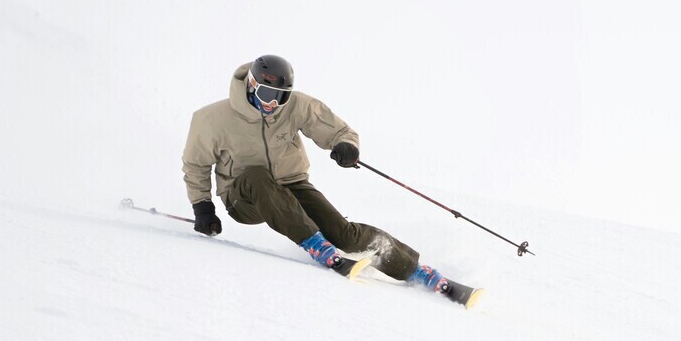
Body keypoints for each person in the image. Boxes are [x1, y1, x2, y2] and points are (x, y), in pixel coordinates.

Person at [181, 55, 475, 303]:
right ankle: (317, 246)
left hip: (292, 185)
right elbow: (195, 165)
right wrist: (202, 206)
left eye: (281, 97)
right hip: (243, 197)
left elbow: (336, 130)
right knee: (257, 176)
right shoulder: (211, 119)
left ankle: (416, 271)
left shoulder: (296, 106)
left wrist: (346, 146)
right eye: (267, 96)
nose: (273, 104)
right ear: (252, 85)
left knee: (343, 232)